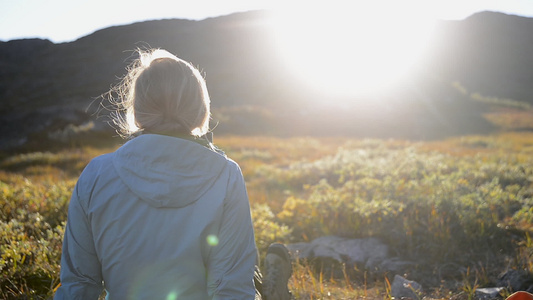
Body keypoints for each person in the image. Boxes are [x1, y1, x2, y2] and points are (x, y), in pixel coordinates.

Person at [54, 48, 292, 299]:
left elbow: (79, 284)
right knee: (244, 273)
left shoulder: (95, 175)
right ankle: (271, 291)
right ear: (200, 110)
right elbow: (229, 288)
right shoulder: (227, 175)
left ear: (136, 110)